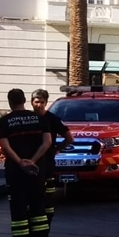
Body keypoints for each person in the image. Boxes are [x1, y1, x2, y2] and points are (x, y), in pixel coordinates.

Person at [0, 88, 52, 237]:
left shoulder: (4, 121)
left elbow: (5, 147)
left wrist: (20, 162)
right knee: (38, 203)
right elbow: (47, 142)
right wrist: (33, 161)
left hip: (15, 170)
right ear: (24, 100)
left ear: (10, 101)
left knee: (18, 205)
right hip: (37, 169)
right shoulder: (39, 119)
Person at [31, 89, 74, 226]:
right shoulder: (28, 119)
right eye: (37, 102)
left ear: (46, 103)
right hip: (32, 164)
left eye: (42, 102)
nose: (39, 105)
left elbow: (69, 138)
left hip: (47, 164)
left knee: (47, 198)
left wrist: (56, 149)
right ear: (31, 102)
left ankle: (45, 228)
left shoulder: (53, 120)